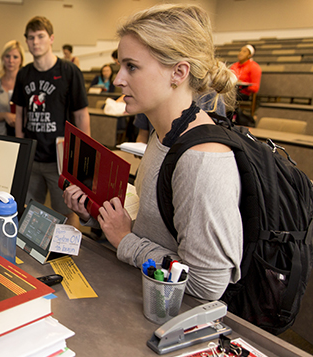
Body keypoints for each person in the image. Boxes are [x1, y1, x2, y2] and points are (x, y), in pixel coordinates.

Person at [64, 4, 242, 301]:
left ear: (179, 72)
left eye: (131, 67)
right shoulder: (164, 136)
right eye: (121, 66)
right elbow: (156, 236)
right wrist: (100, 217)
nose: (119, 79)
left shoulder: (202, 160)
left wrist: (125, 239)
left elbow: (206, 285)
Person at [13, 16, 90, 227]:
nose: (35, 42)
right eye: (30, 38)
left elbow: (81, 114)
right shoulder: (24, 74)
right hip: (33, 157)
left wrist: (84, 156)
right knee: (30, 212)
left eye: (40, 36)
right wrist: (22, 149)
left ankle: (71, 256)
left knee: (67, 213)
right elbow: (20, 114)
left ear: (51, 39)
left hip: (60, 161)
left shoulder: (69, 71)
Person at [0, 40, 24, 136]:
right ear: (3, 58)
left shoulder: (25, 83)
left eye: (15, 57)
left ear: (21, 60)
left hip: (20, 135)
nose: (11, 61)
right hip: (0, 135)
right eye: (7, 56)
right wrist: (5, 115)